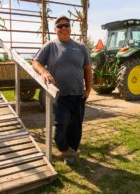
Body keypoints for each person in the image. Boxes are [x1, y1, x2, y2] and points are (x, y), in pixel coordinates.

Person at [32, 15, 92, 165]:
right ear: (55, 30)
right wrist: (44, 72)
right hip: (60, 95)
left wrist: (88, 89)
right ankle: (64, 149)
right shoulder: (50, 46)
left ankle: (71, 153)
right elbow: (35, 62)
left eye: (66, 25)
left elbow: (88, 69)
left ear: (70, 28)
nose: (64, 28)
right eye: (60, 26)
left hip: (78, 94)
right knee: (62, 125)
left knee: (76, 126)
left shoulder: (81, 47)